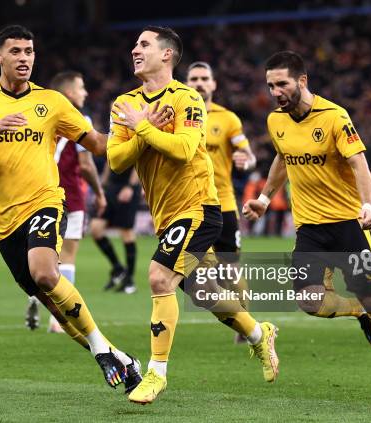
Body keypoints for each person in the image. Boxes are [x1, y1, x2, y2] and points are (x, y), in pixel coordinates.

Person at [0, 24, 141, 393]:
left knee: (46, 274)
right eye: (16, 51)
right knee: (50, 301)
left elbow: (98, 145)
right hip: (3, 220)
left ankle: (101, 350)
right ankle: (120, 357)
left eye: (29, 52)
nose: (24, 59)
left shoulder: (52, 102)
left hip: (46, 201)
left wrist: (138, 131)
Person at [108, 26, 279, 404]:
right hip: (165, 214)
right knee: (203, 292)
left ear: (167, 54)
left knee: (158, 277)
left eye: (144, 44)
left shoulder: (188, 98)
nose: (135, 49)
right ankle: (258, 333)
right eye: (135, 44)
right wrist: (144, 127)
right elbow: (116, 160)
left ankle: (155, 373)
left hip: (199, 206)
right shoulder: (124, 104)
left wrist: (143, 128)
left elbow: (184, 149)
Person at [243, 50, 371, 392]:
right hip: (309, 228)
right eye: (271, 85)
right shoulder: (276, 120)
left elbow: (359, 163)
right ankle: (356, 312)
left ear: (302, 81)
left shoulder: (334, 116)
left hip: (349, 225)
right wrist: (263, 198)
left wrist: (367, 204)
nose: (275, 92)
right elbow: (282, 158)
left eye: (282, 84)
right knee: (309, 302)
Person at [25, 70, 108, 333]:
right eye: (82, 88)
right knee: (67, 256)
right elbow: (85, 164)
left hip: (36, 192)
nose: (85, 93)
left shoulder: (38, 114)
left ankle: (33, 296)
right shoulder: (78, 118)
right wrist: (99, 191)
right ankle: (58, 319)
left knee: (43, 254)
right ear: (70, 92)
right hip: (69, 193)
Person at [186, 61, 256, 342]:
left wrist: (246, 161)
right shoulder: (177, 115)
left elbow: (248, 154)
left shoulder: (228, 119)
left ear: (213, 84)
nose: (200, 83)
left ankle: (245, 321)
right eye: (194, 79)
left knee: (229, 268)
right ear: (185, 83)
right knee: (191, 270)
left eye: (205, 78)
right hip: (189, 205)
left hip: (223, 204)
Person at [90, 163, 140, 294]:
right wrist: (102, 186)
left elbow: (139, 162)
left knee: (126, 231)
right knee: (96, 229)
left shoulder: (137, 141)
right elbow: (109, 160)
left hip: (128, 187)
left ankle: (129, 279)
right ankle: (118, 268)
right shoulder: (112, 141)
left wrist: (130, 186)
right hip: (111, 187)